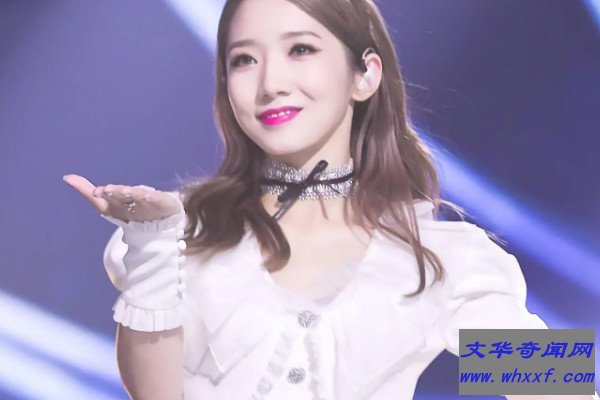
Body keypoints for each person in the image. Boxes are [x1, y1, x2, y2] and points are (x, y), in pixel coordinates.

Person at [63, 0, 599, 399]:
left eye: (300, 49)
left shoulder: (435, 259)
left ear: (365, 75)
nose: (271, 82)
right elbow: (155, 395)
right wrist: (152, 242)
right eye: (243, 60)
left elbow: (555, 382)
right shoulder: (190, 232)